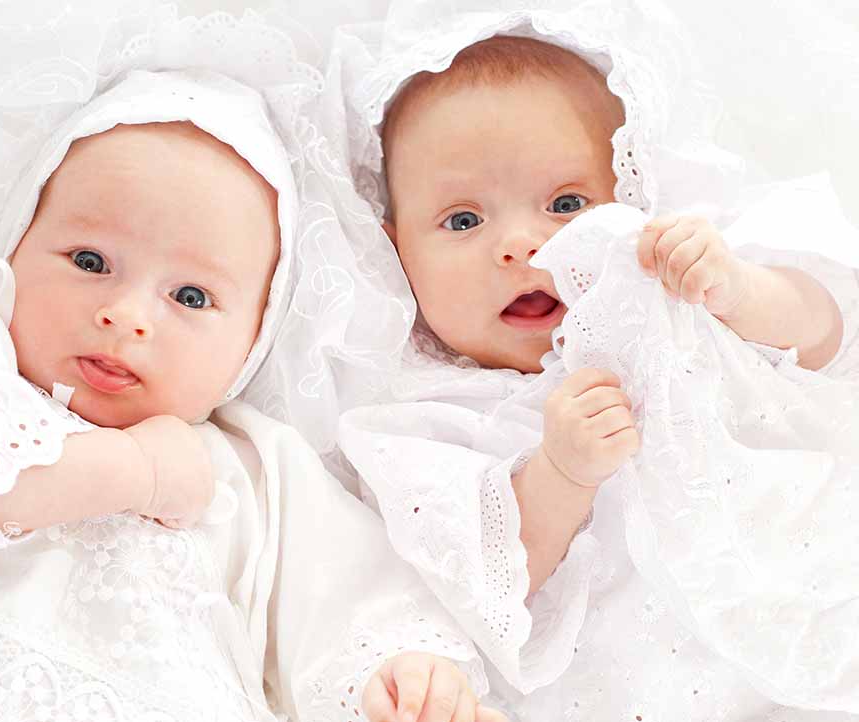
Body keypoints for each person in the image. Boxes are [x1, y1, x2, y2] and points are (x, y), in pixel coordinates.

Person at [0, 67, 506, 722]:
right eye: (89, 261)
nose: (126, 314)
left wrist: (401, 673)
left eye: (190, 296)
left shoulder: (254, 467)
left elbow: (348, 597)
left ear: (250, 346)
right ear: (15, 252)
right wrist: (138, 472)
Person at [326, 1, 859, 718]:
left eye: (566, 202)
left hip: (800, 599)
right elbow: (481, 582)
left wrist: (738, 290)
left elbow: (826, 338)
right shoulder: (424, 419)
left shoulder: (671, 291)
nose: (519, 245)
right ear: (398, 256)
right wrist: (559, 473)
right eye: (463, 220)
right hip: (626, 685)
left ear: (628, 194)